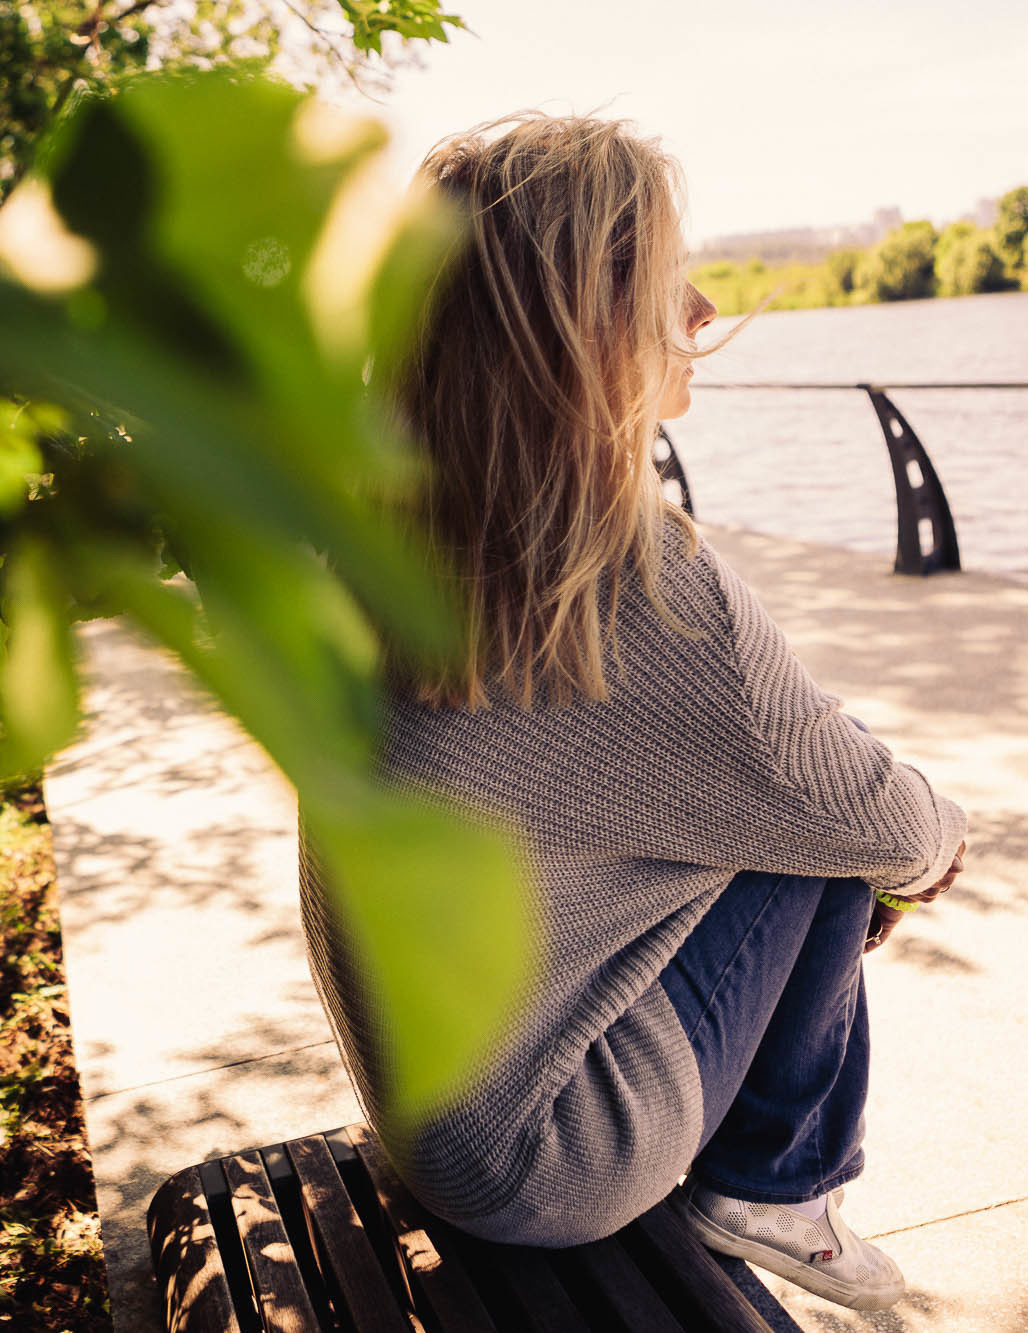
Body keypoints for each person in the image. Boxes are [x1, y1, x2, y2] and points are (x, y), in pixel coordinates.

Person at [296, 111, 970, 1313]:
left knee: (777, 784)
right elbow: (876, 826)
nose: (702, 309)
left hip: (438, 1121)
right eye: (670, 279)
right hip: (552, 1152)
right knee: (824, 823)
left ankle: (769, 1171)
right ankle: (778, 1181)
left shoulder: (381, 536)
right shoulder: (634, 581)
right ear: (578, 327)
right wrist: (940, 836)